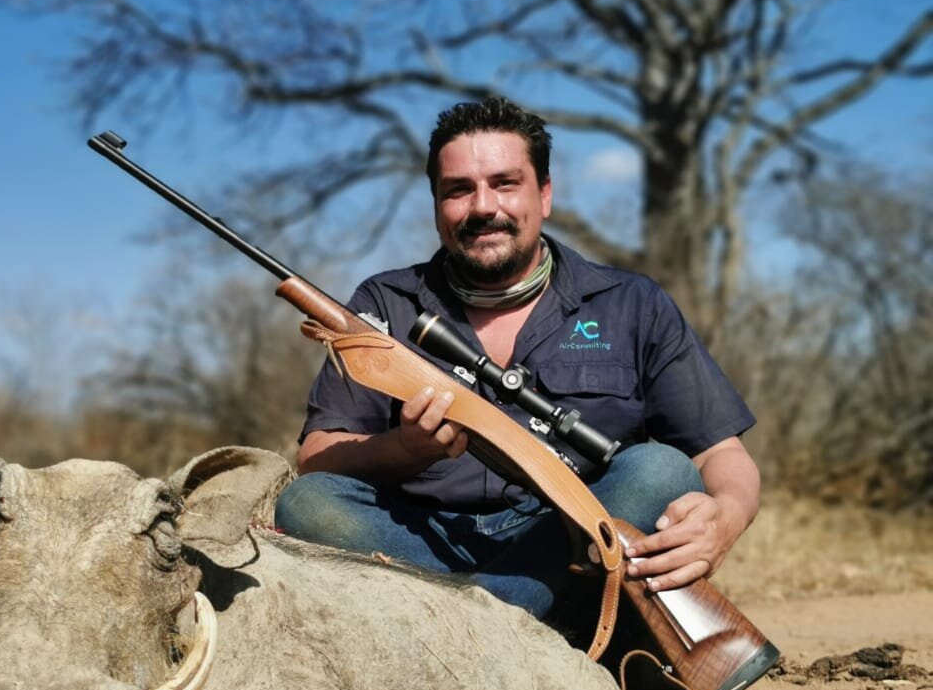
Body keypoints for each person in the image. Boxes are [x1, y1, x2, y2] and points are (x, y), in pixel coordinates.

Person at [274, 97, 761, 624]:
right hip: (423, 541)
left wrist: (725, 519)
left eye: (505, 183)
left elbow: (723, 455)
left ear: (545, 194)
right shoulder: (383, 303)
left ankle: (468, 625)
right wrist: (405, 450)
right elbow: (317, 456)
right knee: (308, 505)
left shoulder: (631, 302)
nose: (483, 206)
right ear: (437, 204)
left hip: (571, 541)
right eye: (459, 190)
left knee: (659, 470)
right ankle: (522, 624)